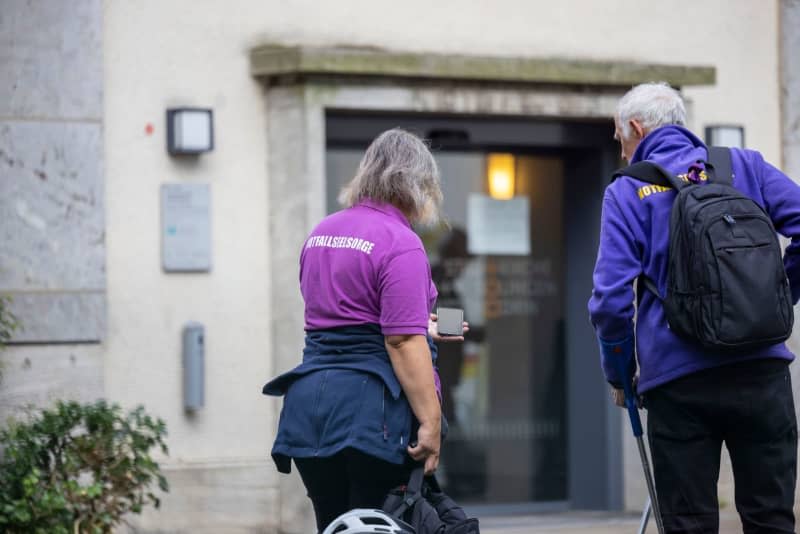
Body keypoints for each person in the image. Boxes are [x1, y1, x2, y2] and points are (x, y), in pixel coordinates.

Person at [588, 82, 799, 532]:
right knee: (771, 518)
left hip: (679, 384)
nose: (623, 152)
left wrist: (620, 373)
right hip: (763, 373)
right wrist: (775, 297)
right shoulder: (745, 166)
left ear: (635, 127)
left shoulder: (628, 191)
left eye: (619, 139)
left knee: (688, 523)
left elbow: (609, 300)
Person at [262, 128, 465, 533]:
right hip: (372, 415)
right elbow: (400, 340)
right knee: (378, 525)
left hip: (310, 412)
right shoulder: (400, 242)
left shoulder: (321, 232)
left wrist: (418, 324)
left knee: (334, 525)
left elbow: (345, 316)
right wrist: (430, 422)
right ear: (418, 183)